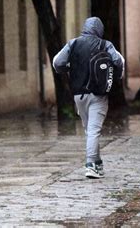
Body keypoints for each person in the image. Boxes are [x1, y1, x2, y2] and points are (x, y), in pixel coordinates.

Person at [52, 17, 124, 179]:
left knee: (90, 130)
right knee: (93, 130)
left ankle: (97, 163)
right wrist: (116, 76)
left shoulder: (73, 44)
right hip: (98, 95)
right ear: (99, 30)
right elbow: (118, 61)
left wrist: (68, 68)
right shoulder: (106, 45)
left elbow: (57, 63)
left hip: (79, 95)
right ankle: (91, 165)